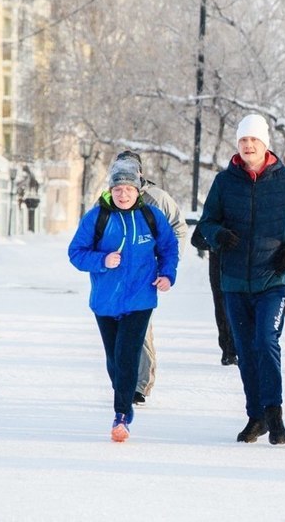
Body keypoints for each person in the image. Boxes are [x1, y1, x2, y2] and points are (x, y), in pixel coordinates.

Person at [197, 114, 285, 446]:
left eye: (254, 141)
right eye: (243, 141)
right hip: (233, 280)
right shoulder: (224, 182)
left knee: (266, 341)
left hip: (271, 278)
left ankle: (274, 414)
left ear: (265, 144)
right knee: (246, 350)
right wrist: (218, 234)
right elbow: (206, 223)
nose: (248, 146)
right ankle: (255, 416)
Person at [68, 159, 179, 442]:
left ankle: (121, 415)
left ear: (137, 190)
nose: (123, 194)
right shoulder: (97, 217)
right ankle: (123, 398)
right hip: (105, 300)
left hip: (140, 299)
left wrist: (167, 274)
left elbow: (169, 247)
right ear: (111, 190)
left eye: (128, 189)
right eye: (118, 189)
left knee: (128, 355)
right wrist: (102, 260)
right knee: (114, 360)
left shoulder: (151, 217)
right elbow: (76, 253)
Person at [114, 151, 188, 405]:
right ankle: (122, 379)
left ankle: (140, 385)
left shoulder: (157, 199)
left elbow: (178, 229)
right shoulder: (108, 198)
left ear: (140, 173)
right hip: (115, 276)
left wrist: (166, 265)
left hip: (146, 273)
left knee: (141, 327)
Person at [190, 224, 238, 365]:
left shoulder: (240, 211)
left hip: (239, 267)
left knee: (238, 308)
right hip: (218, 268)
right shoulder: (212, 215)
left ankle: (238, 347)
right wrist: (213, 244)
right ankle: (228, 350)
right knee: (222, 308)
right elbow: (196, 239)